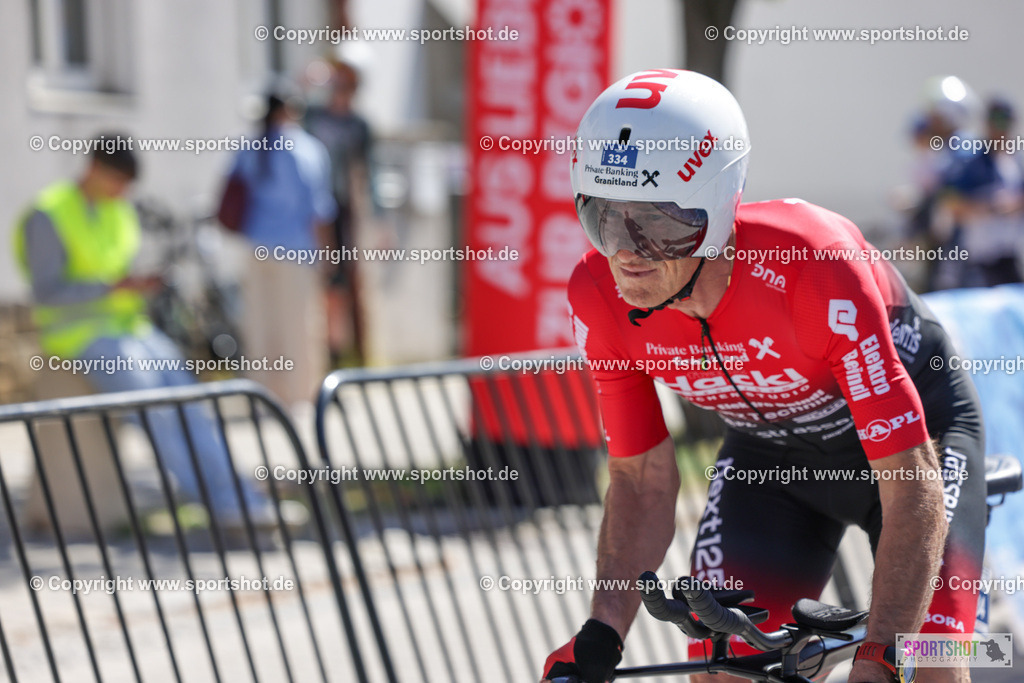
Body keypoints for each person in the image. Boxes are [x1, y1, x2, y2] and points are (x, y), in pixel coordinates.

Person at [542, 71, 985, 683]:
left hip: (916, 446)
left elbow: (910, 480)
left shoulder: (814, 265)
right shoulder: (596, 294)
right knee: (723, 668)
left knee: (929, 660)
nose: (627, 252)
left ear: (720, 211)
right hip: (770, 461)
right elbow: (640, 477)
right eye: (603, 219)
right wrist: (601, 634)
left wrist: (882, 654)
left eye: (659, 224)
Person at [13, 135, 271, 527]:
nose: (123, 191)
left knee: (192, 402)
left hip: (130, 328)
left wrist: (141, 283)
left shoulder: (118, 209)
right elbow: (47, 293)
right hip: (80, 337)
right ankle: (222, 507)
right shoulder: (49, 214)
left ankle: (241, 495)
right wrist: (114, 287)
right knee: (159, 414)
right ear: (94, 168)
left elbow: (122, 264)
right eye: (117, 181)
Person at [226, 93, 337, 410]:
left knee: (260, 327)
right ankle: (301, 398)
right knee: (299, 328)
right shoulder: (306, 149)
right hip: (296, 252)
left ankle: (263, 399)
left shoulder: (249, 147)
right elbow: (319, 210)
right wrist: (327, 255)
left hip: (256, 250)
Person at [305, 59, 375, 365]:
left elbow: (369, 172)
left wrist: (379, 219)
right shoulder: (313, 116)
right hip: (309, 210)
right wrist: (308, 82)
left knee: (339, 285)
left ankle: (336, 356)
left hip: (340, 211)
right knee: (312, 281)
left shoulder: (358, 126)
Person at [939, 98, 1024, 287]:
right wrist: (993, 206)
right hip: (977, 261)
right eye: (995, 122)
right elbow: (951, 204)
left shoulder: (1016, 162)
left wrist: (1015, 204)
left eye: (1004, 122)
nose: (1000, 130)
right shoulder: (971, 161)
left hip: (1009, 257)